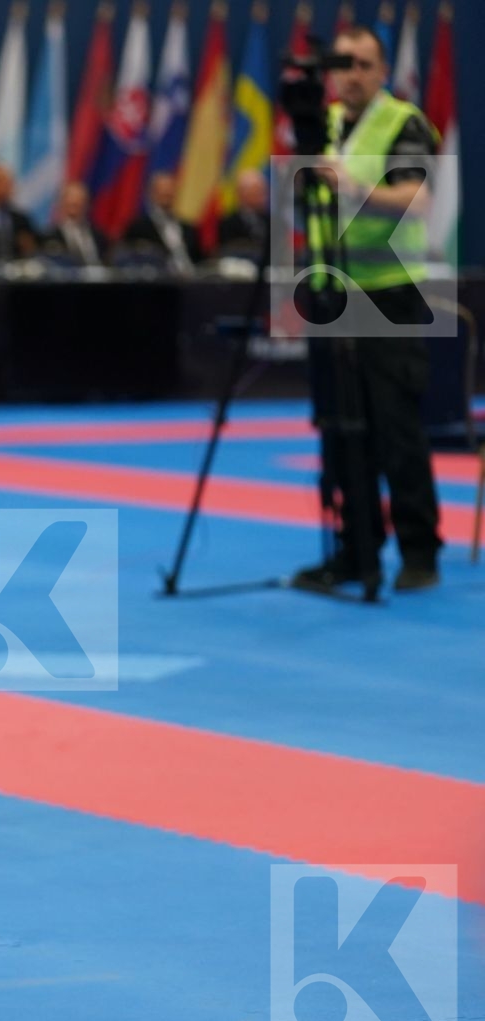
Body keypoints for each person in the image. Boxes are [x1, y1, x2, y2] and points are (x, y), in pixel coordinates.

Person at [290, 24, 443, 594]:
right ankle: (354, 549)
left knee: (394, 426)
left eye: (362, 65)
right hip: (329, 291)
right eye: (342, 64)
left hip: (389, 294)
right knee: (337, 428)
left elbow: (417, 198)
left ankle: (419, 552)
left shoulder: (402, 121)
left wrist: (355, 188)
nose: (350, 75)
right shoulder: (323, 122)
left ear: (381, 72)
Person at [121, 172, 204, 274]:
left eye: (170, 191)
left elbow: (201, 261)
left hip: (193, 282)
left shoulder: (189, 228)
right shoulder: (138, 228)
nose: (167, 194)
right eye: (163, 192)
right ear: (152, 194)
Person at [39, 181, 107, 268]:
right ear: (62, 204)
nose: (75, 209)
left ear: (87, 205)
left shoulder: (99, 236)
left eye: (79, 204)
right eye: (71, 205)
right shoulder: (49, 236)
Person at [215, 168, 271, 260]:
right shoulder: (228, 224)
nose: (264, 196)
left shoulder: (272, 222)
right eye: (257, 191)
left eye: (264, 191)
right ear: (242, 193)